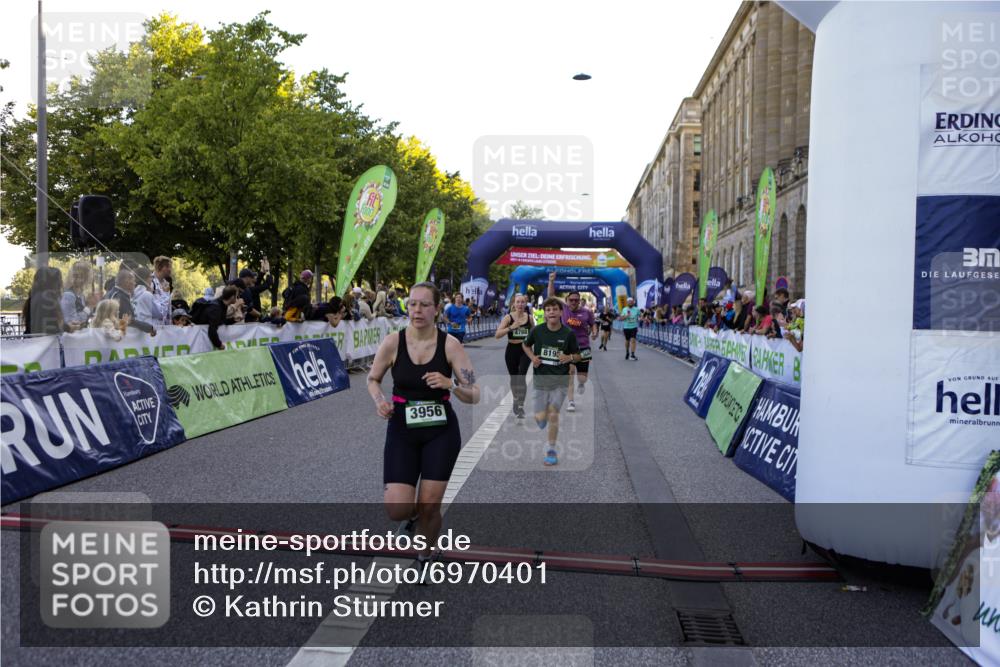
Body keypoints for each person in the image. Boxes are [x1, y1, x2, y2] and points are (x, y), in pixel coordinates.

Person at [367, 282, 480, 567]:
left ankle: (426, 555)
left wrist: (451, 384)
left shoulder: (450, 345)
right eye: (412, 304)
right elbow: (373, 379)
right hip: (402, 429)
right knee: (397, 509)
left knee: (430, 505)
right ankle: (414, 519)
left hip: (440, 432)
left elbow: (474, 394)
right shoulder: (393, 342)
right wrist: (379, 400)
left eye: (424, 304)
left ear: (436, 309)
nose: (417, 310)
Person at [522, 297, 582, 466]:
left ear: (561, 312)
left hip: (560, 382)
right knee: (541, 418)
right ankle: (542, 417)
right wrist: (533, 357)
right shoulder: (537, 331)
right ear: (545, 314)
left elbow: (578, 355)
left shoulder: (568, 333)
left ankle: (551, 450)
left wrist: (569, 357)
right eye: (548, 310)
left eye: (555, 309)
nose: (552, 312)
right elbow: (525, 345)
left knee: (554, 413)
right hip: (541, 381)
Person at [547, 272, 596, 413]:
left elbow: (593, 324)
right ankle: (571, 401)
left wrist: (594, 331)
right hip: (567, 346)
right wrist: (551, 281)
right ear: (567, 301)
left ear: (580, 301)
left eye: (576, 300)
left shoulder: (587, 312)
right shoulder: (564, 309)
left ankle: (581, 383)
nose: (574, 302)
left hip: (583, 346)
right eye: (571, 300)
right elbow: (551, 296)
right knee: (570, 372)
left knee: (582, 377)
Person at [494, 292, 532, 419]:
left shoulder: (529, 318)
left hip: (525, 350)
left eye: (522, 302)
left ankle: (520, 405)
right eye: (518, 302)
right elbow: (497, 335)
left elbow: (535, 334)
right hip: (512, 350)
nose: (520, 304)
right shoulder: (508, 318)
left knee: (521, 376)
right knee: (514, 378)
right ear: (514, 304)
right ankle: (516, 398)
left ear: (525, 304)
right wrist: (511, 328)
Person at [104, 267, 155, 335]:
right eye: (133, 281)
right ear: (127, 282)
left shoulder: (111, 293)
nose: (135, 283)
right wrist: (149, 328)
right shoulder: (121, 297)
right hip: (118, 338)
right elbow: (130, 321)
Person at [190, 285, 239, 350]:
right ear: (232, 297)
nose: (237, 298)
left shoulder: (222, 304)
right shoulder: (216, 308)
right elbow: (212, 330)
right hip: (200, 342)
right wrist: (219, 345)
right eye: (236, 296)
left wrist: (234, 320)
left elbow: (221, 321)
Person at [23, 267, 67, 334]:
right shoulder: (46, 300)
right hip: (43, 342)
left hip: (33, 342)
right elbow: (48, 328)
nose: (61, 283)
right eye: (60, 280)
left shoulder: (35, 297)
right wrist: (68, 328)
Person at [60, 260, 99, 329]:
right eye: (75, 276)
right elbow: (71, 321)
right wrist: (88, 308)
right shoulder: (69, 295)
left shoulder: (81, 295)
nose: (78, 279)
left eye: (81, 277)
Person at [150, 256, 173, 325]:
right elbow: (153, 309)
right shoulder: (150, 282)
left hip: (164, 328)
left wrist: (169, 325)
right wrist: (166, 294)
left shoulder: (166, 284)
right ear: (162, 267)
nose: (170, 270)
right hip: (153, 326)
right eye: (169, 267)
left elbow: (168, 308)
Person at [618, 297, 641, 361]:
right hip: (626, 327)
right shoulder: (624, 309)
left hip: (634, 327)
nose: (630, 303)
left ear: (633, 302)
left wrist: (643, 318)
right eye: (629, 302)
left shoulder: (636, 309)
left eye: (631, 301)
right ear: (627, 303)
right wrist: (626, 316)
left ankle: (632, 354)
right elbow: (620, 319)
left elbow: (640, 315)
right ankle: (627, 352)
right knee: (627, 340)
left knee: (633, 340)